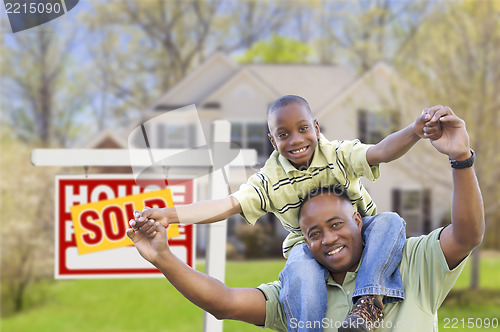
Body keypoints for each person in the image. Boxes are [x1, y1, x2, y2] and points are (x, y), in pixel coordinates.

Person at [128, 107, 483, 331]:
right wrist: (166, 234)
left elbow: (465, 234)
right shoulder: (299, 284)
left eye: (336, 225)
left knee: (390, 220)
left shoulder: (410, 264)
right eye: (315, 231)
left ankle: (369, 301)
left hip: (378, 238)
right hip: (300, 258)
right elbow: (223, 296)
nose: (327, 238)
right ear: (272, 140)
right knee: (299, 263)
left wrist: (439, 145)